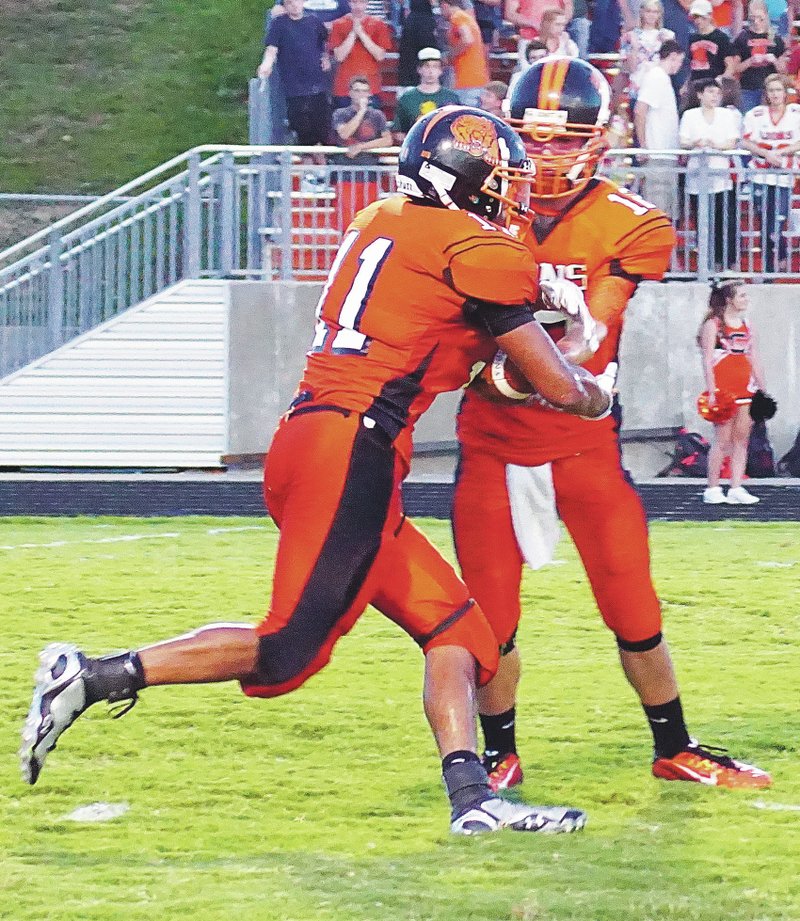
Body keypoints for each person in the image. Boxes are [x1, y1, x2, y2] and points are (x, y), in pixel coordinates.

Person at [20, 106, 613, 836]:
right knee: (285, 651)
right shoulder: (475, 248)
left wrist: (539, 295)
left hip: (316, 439)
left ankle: (474, 801)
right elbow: (555, 385)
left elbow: (473, 353)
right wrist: (597, 384)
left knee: (462, 632)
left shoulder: (384, 218)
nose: (511, 196)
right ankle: (90, 673)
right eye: (500, 179)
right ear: (465, 180)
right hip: (351, 450)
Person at [452, 57, 773, 793]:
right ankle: (499, 752)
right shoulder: (471, 212)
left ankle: (675, 744)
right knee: (490, 619)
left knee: (633, 604)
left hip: (581, 445)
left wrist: (520, 367)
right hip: (492, 447)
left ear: (600, 138)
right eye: (534, 137)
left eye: (566, 139)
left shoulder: (629, 222)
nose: (546, 153)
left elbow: (591, 330)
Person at [698, 281, 767, 504]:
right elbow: (707, 360)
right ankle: (713, 487)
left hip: (745, 387)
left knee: (742, 439)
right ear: (729, 299)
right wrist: (711, 390)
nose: (746, 300)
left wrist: (762, 388)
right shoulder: (714, 324)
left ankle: (736, 486)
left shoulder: (748, 324)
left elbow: (753, 356)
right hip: (723, 389)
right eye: (742, 296)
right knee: (722, 440)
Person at [679, 78, 741, 268]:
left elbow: (732, 141)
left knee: (725, 221)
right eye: (710, 92)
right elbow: (683, 141)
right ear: (700, 94)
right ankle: (707, 262)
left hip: (721, 176)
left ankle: (728, 263)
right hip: (698, 176)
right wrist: (696, 143)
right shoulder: (690, 115)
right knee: (702, 221)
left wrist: (715, 145)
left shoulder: (726, 115)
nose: (714, 96)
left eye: (717, 93)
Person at [741, 73, 800, 272]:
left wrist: (779, 153)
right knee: (765, 218)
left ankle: (779, 255)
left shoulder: (796, 113)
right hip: (760, 174)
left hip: (784, 175)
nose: (775, 94)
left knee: (779, 218)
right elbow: (745, 141)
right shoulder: (755, 114)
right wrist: (766, 154)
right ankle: (769, 264)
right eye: (771, 90)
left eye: (778, 90)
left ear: (785, 93)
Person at [258, 0, 332, 157]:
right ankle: (311, 161)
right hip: (294, 87)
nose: (294, 5)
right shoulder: (279, 24)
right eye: (290, 2)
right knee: (301, 126)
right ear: (285, 5)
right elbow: (271, 49)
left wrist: (325, 57)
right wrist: (266, 65)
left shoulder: (314, 21)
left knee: (322, 126)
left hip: (317, 84)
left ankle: (320, 162)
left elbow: (324, 43)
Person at [331, 75, 393, 227]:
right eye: (357, 91)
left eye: (364, 91)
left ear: (369, 94)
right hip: (345, 175)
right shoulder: (341, 114)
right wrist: (361, 112)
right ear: (350, 93)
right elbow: (344, 133)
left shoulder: (377, 115)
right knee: (346, 221)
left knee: (368, 221)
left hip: (370, 176)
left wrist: (361, 147)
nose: (361, 95)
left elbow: (387, 140)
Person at [634, 39, 686, 219]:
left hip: (665, 154)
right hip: (658, 153)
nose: (679, 66)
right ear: (673, 57)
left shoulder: (661, 78)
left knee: (666, 211)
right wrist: (644, 145)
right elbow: (640, 110)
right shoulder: (656, 76)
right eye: (679, 61)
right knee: (659, 211)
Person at [329, 0, 394, 109]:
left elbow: (380, 56)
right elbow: (339, 57)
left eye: (362, 2)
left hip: (371, 87)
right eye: (354, 2)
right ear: (349, 3)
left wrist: (362, 34)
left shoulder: (378, 24)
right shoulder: (338, 24)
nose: (358, 6)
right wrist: (353, 33)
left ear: (367, 3)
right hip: (344, 88)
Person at [392, 47, 459, 142]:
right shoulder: (407, 98)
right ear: (419, 69)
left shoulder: (452, 97)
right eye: (427, 66)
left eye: (435, 66)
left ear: (441, 70)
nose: (430, 71)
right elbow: (398, 131)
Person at [731, 0, 786, 114]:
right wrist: (750, 61)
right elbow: (735, 68)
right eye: (752, 18)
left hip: (770, 90)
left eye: (760, 18)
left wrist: (774, 60)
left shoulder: (776, 39)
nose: (756, 22)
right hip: (748, 88)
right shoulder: (742, 37)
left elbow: (783, 70)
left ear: (766, 16)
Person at [439, 0, 491, 107]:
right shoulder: (467, 18)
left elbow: (467, 39)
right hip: (476, 78)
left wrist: (450, 55)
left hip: (466, 80)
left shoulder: (458, 17)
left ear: (444, 5)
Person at [621, 0, 676, 99]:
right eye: (648, 11)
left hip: (660, 88)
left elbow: (673, 68)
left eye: (655, 12)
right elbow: (630, 69)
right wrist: (634, 47)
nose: (652, 15)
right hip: (638, 89)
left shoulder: (668, 35)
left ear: (660, 14)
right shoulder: (630, 36)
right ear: (642, 12)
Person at [686, 0, 737, 89]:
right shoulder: (692, 38)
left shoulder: (721, 37)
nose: (698, 20)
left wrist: (720, 79)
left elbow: (730, 65)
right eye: (695, 17)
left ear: (709, 16)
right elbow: (691, 65)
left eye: (702, 17)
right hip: (695, 85)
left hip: (713, 86)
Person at [397, 0, 440, 89]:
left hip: (406, 74)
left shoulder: (409, 20)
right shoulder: (426, 21)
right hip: (419, 79)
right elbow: (429, 49)